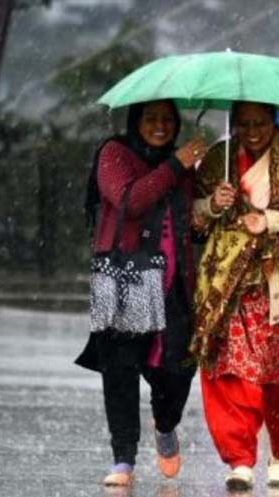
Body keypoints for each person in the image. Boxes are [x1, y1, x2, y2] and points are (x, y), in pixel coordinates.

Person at [190, 101, 279, 490]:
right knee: (231, 369)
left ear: (274, 120)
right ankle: (239, 459)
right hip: (231, 283)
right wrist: (212, 204)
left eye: (260, 124)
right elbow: (192, 215)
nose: (252, 132)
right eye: (244, 124)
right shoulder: (219, 159)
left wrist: (270, 219)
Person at [76, 99, 206, 487]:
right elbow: (130, 201)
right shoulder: (115, 153)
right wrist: (176, 165)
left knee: (177, 370)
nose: (160, 126)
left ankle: (165, 424)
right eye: (151, 118)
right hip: (123, 273)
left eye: (167, 119)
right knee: (121, 370)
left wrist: (211, 207)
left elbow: (194, 227)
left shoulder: (182, 165)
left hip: (173, 282)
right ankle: (123, 458)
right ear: (136, 121)